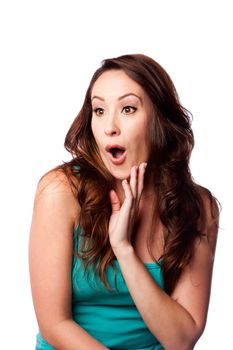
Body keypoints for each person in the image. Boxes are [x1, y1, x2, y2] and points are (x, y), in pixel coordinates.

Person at [29, 53, 220, 350]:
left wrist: (124, 250)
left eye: (128, 109)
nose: (110, 127)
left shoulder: (197, 207)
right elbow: (54, 324)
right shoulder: (60, 191)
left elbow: (181, 340)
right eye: (99, 110)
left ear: (159, 120)